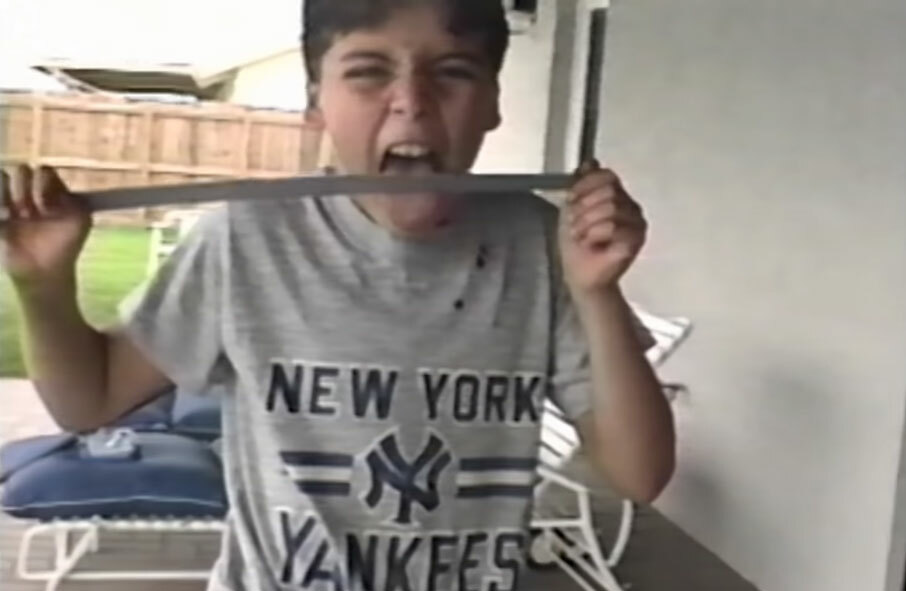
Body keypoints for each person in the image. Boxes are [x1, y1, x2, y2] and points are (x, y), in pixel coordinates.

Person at [0, 1, 675, 589]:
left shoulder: (541, 245)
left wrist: (596, 291)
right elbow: (87, 401)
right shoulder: (246, 239)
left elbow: (641, 475)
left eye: (453, 71)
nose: (410, 101)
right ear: (316, 105)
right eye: (368, 70)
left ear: (495, 101)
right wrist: (42, 284)